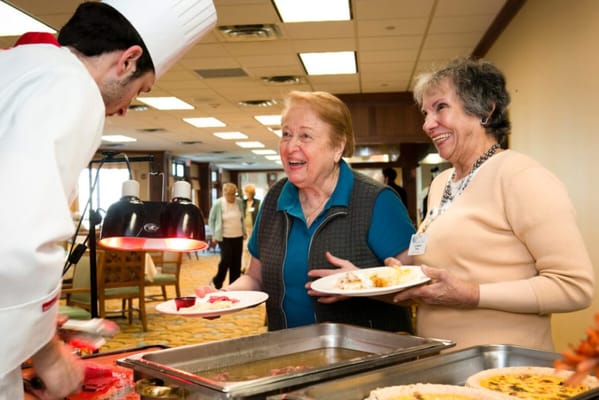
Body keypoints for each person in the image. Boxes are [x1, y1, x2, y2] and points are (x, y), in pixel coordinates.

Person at [0, 1, 216, 398]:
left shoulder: (20, 64)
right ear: (129, 60)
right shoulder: (72, 89)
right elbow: (16, 240)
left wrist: (37, 319)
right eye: (140, 89)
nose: (125, 108)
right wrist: (47, 352)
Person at [390, 57, 594, 351]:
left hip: (505, 373)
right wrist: (394, 271)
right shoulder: (441, 183)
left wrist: (473, 294)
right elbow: (453, 256)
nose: (427, 124)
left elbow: (575, 288)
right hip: (443, 367)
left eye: (440, 108)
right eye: (425, 113)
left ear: (485, 110)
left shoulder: (521, 176)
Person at [197, 90, 416, 333]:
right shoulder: (274, 200)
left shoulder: (378, 201)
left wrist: (361, 282)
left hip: (368, 360)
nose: (291, 146)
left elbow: (414, 293)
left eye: (305, 136)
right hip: (290, 354)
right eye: (286, 134)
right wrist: (223, 297)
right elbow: (256, 278)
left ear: (337, 147)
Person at [208, 183, 246, 289]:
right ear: (224, 193)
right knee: (226, 259)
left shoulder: (239, 202)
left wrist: (244, 231)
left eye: (233, 194)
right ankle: (218, 280)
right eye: (229, 194)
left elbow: (241, 218)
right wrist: (214, 235)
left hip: (238, 235)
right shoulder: (218, 203)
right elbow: (212, 220)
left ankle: (234, 285)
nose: (232, 196)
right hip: (224, 236)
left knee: (236, 262)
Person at [241, 183, 261, 272]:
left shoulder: (258, 202)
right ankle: (243, 266)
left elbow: (260, 215)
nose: (246, 194)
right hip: (245, 229)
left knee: (251, 248)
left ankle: (250, 267)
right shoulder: (242, 202)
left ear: (252, 193)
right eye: (245, 192)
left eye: (248, 192)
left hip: (254, 228)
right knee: (244, 248)